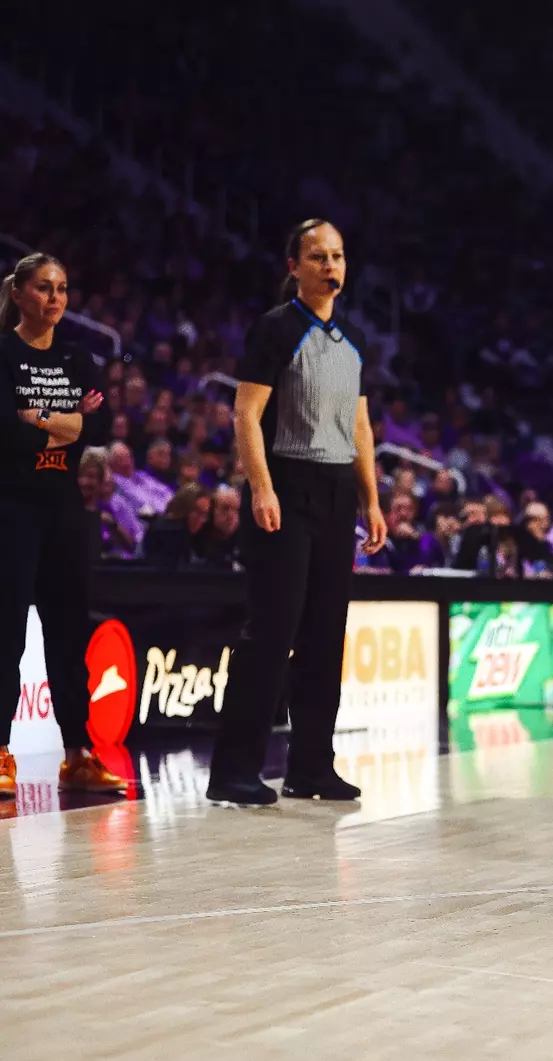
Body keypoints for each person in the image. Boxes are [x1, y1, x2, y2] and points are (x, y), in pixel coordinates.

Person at [207, 219, 387, 807]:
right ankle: (233, 770)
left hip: (337, 492)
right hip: (286, 484)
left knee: (323, 637)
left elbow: (359, 426)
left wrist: (372, 500)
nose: (330, 266)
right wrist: (260, 487)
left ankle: (311, 766)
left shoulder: (354, 337)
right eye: (317, 257)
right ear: (294, 266)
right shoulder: (276, 328)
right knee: (271, 633)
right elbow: (245, 414)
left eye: (337, 256)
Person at [0, 253, 127, 798]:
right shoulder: (3, 353)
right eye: (44, 288)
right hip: (10, 506)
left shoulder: (78, 356)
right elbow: (5, 431)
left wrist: (41, 422)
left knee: (69, 629)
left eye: (62, 289)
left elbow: (99, 423)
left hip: (63, 507)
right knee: (4, 630)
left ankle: (76, 754)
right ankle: (1, 751)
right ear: (20, 293)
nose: (55, 298)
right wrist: (64, 422)